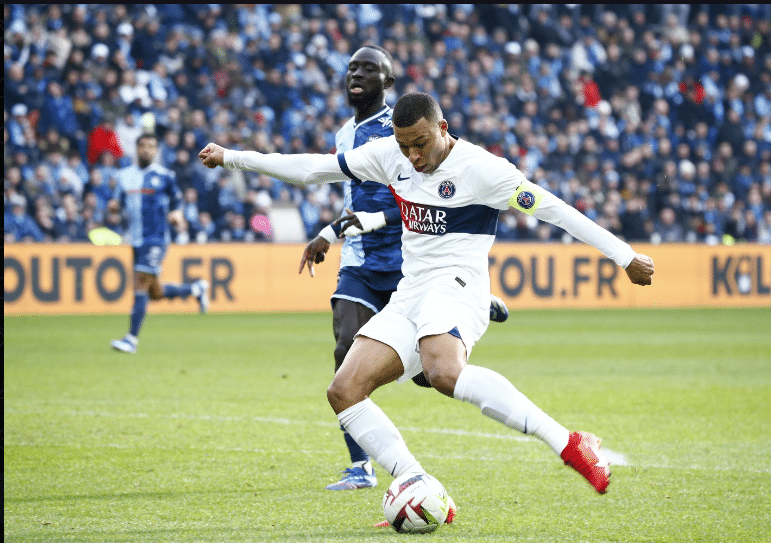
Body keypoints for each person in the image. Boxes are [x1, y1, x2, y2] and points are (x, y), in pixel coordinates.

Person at [200, 92, 654, 501]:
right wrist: (234, 158)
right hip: (411, 292)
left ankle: (571, 443)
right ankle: (415, 483)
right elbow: (312, 168)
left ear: (443, 128)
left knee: (442, 371)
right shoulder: (389, 156)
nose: (413, 156)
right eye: (404, 146)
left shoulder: (485, 171)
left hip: (458, 287)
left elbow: (555, 210)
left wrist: (624, 255)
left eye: (420, 142)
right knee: (344, 390)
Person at [295, 45, 509, 492]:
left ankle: (470, 301)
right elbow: (354, 203)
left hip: (411, 259)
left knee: (427, 378)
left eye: (369, 69)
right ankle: (360, 466)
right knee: (344, 351)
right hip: (360, 257)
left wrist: (371, 222)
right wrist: (330, 235)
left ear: (387, 82)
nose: (357, 74)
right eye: (352, 66)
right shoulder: (342, 134)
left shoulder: (404, 133)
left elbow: (418, 200)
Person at [110, 133, 210, 354]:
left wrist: (176, 214)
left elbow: (177, 201)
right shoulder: (124, 176)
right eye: (143, 146)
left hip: (156, 239)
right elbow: (117, 201)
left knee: (140, 283)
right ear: (136, 149)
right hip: (135, 239)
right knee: (155, 292)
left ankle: (131, 339)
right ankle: (196, 289)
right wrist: (114, 207)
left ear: (156, 151)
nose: (147, 150)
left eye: (151, 146)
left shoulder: (164, 176)